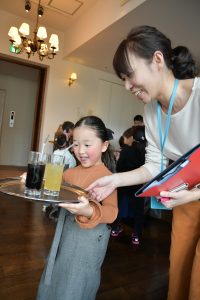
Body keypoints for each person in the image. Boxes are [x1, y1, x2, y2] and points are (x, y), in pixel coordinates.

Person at [87, 25, 200, 300]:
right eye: (123, 79)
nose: (127, 86)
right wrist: (114, 179)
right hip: (185, 198)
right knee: (179, 275)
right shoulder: (151, 111)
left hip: (190, 194)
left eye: (130, 75)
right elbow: (154, 165)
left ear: (158, 60)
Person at [37, 115, 118, 300]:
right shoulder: (70, 173)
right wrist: (35, 183)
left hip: (87, 242)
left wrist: (88, 210)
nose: (80, 151)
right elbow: (52, 191)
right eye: (75, 144)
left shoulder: (107, 177)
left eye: (87, 145)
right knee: (56, 273)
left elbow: (112, 212)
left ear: (104, 146)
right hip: (64, 234)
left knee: (76, 284)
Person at [111, 126, 146, 246]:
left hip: (124, 182)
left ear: (130, 138)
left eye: (125, 138)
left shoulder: (126, 150)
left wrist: (117, 160)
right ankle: (136, 236)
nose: (124, 140)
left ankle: (115, 229)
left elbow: (119, 167)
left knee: (118, 205)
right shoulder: (143, 150)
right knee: (138, 210)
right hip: (138, 184)